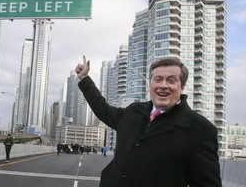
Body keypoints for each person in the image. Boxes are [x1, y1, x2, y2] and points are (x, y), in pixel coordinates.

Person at [75, 56, 222, 187]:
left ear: (181, 87)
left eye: (171, 80)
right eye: (157, 79)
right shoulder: (133, 112)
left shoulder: (201, 131)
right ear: (150, 85)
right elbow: (103, 109)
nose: (163, 85)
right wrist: (85, 79)